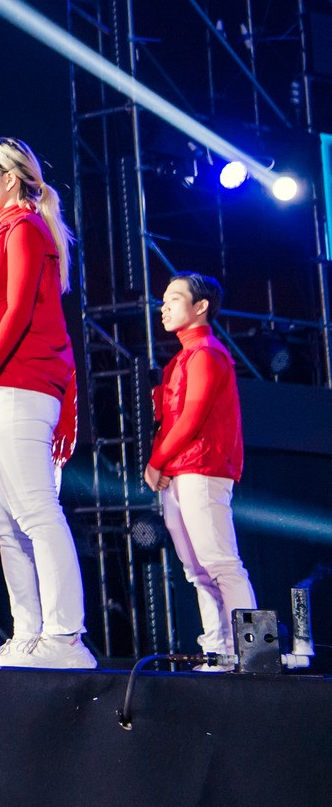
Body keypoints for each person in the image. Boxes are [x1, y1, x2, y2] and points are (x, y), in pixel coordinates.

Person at [0, 137, 93, 669]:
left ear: (9, 179)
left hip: (20, 387)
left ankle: (66, 638)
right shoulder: (2, 233)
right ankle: (29, 634)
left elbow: (19, 309)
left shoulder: (27, 229)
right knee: (4, 523)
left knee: (36, 511)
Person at [148, 271, 254, 661]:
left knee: (220, 563)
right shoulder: (183, 358)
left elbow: (192, 418)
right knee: (197, 570)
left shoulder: (207, 353)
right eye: (164, 300)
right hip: (180, 471)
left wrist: (156, 461)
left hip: (202, 469)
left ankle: (249, 652)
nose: (164, 307)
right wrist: (163, 463)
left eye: (174, 299)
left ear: (201, 306)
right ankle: (219, 649)